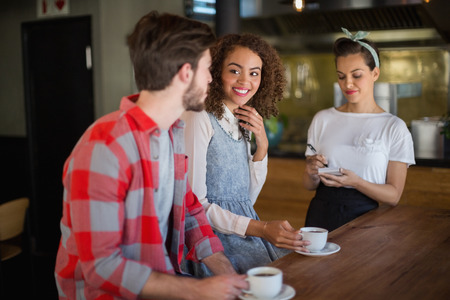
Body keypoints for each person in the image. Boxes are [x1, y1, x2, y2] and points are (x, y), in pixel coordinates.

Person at [54, 11, 249, 300]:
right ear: (185, 72)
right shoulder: (103, 147)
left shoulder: (171, 133)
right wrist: (197, 289)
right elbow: (102, 267)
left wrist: (227, 273)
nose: (211, 79)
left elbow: (187, 205)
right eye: (207, 68)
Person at [182, 33, 310, 277]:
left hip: (243, 235)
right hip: (211, 244)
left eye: (254, 73)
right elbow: (195, 207)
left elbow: (244, 201)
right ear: (216, 71)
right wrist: (261, 229)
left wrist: (262, 146)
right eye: (234, 70)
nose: (245, 81)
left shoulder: (241, 119)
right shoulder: (199, 117)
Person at [303, 28, 415, 232]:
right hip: (320, 216)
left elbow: (394, 196)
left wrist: (356, 182)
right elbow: (309, 185)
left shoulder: (394, 128)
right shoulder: (323, 119)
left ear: (375, 73)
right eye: (341, 76)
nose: (348, 84)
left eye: (356, 75)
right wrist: (311, 172)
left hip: (367, 220)